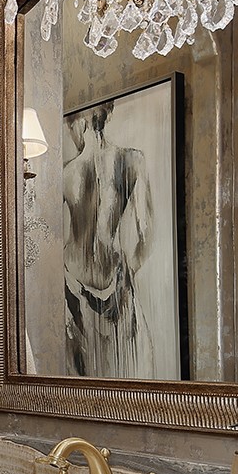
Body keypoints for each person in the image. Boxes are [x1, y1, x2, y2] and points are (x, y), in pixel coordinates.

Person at [61, 100, 158, 377]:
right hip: (113, 279)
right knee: (123, 372)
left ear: (76, 123)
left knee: (82, 380)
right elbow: (146, 234)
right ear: (108, 114)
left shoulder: (66, 173)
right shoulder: (132, 161)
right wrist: (126, 271)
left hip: (73, 277)